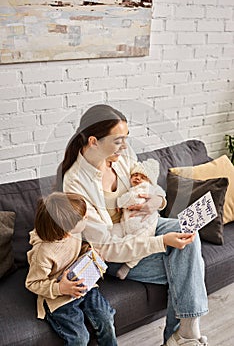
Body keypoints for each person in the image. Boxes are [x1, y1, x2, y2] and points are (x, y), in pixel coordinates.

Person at [56, 104, 209, 346]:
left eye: (126, 139)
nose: (125, 146)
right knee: (189, 264)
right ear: (94, 141)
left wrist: (157, 200)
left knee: (189, 234)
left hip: (147, 225)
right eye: (118, 140)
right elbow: (105, 248)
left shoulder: (122, 156)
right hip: (116, 253)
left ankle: (185, 333)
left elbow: (150, 188)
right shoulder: (74, 183)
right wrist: (161, 242)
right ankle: (181, 336)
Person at [25, 192, 117, 346]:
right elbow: (32, 283)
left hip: (82, 284)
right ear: (66, 228)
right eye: (84, 217)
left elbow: (77, 250)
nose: (87, 217)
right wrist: (59, 288)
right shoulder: (43, 253)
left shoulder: (74, 232)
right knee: (80, 338)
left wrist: (88, 251)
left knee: (106, 318)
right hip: (58, 297)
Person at [116, 158, 166, 279]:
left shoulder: (146, 188)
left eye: (142, 177)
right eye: (135, 175)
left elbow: (131, 198)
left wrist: (119, 203)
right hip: (127, 223)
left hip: (146, 224)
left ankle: (129, 265)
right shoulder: (131, 189)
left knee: (141, 242)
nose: (138, 178)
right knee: (129, 241)